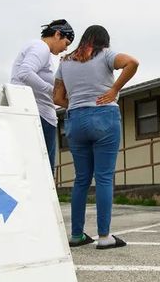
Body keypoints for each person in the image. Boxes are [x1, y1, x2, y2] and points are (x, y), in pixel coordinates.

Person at [52, 25, 138, 250]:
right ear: (103, 41)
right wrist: (114, 90)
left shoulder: (65, 62)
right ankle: (104, 236)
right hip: (104, 116)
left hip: (75, 120)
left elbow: (57, 97)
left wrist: (78, 103)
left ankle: (77, 234)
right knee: (104, 178)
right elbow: (132, 62)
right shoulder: (106, 55)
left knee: (81, 179)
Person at [10, 19, 75, 176]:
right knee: (43, 172)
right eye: (66, 43)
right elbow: (25, 72)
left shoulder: (36, 48)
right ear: (57, 34)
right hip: (38, 115)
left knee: (33, 168)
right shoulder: (41, 48)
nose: (65, 49)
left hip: (33, 112)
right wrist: (50, 90)